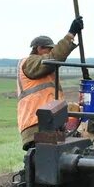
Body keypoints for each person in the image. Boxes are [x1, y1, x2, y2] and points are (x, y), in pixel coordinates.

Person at [17, 16, 83, 149]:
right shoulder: (30, 63)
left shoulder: (46, 70)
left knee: (55, 158)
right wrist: (71, 34)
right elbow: (55, 57)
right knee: (46, 159)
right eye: (49, 49)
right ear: (39, 48)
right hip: (37, 124)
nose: (51, 52)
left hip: (48, 123)